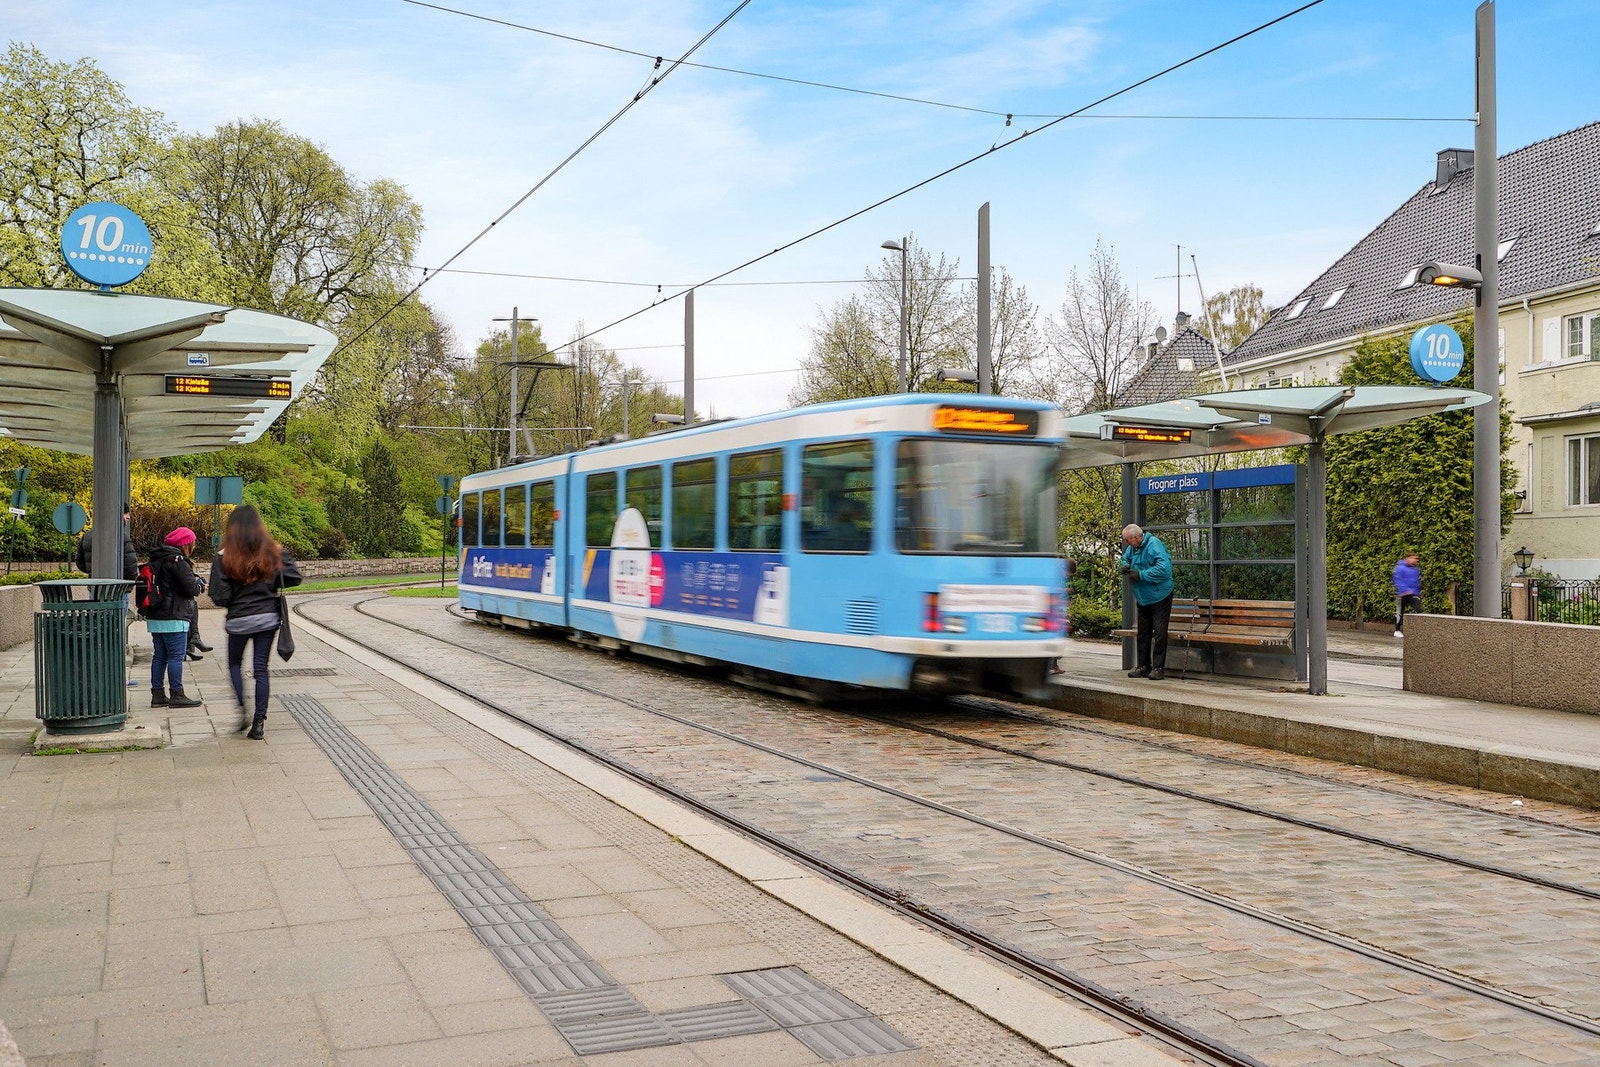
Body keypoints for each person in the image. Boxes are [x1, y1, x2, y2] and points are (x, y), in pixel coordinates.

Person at [208, 505, 302, 740]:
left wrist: (236, 594)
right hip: (267, 619)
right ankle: (259, 721)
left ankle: (242, 709)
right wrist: (270, 582)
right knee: (261, 668)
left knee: (234, 664)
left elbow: (219, 595)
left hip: (238, 620)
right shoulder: (272, 551)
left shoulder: (223, 556)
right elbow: (294, 577)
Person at [144, 527, 206, 708]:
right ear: (186, 544)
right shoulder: (178, 561)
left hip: (156, 616)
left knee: (159, 656)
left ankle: (157, 695)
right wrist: (199, 585)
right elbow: (190, 588)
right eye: (193, 542)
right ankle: (177, 694)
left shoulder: (157, 558)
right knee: (176, 657)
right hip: (174, 616)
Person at [1119, 523, 1174, 681]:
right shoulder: (1133, 548)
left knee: (1159, 632)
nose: (1127, 544)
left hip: (1160, 596)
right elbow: (1125, 558)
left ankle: (1158, 668)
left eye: (1128, 541)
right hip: (1143, 597)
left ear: (1136, 537)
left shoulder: (1154, 545)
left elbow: (1164, 570)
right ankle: (1143, 666)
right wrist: (1124, 566)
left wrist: (1141, 574)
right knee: (1143, 632)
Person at [75, 507, 138, 580]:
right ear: (116, 514)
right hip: (118, 586)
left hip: (94, 585)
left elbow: (80, 561)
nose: (128, 517)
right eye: (125, 513)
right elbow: (131, 566)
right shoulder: (122, 537)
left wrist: (92, 572)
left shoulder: (87, 536)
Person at [1392, 551, 1421, 638]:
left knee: (1418, 610)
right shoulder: (1400, 568)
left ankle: (1416, 630)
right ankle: (1397, 630)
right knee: (1400, 613)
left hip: (1413, 594)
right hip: (1403, 594)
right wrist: (1405, 590)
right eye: (1413, 558)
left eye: (1416, 559)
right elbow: (1397, 580)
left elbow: (1416, 581)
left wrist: (1417, 592)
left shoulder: (1416, 569)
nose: (1415, 560)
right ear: (1407, 558)